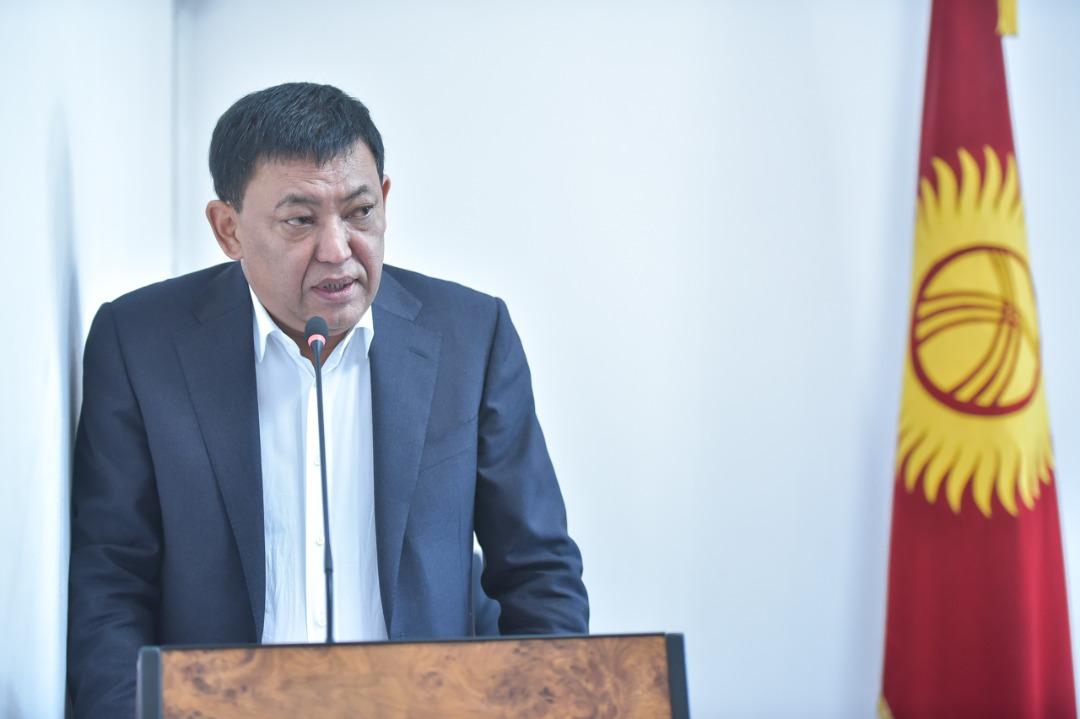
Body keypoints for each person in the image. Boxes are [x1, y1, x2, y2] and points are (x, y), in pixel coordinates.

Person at [66, 82, 588, 717]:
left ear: (385, 200)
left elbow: (537, 570)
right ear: (228, 229)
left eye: (360, 213)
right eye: (300, 220)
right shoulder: (140, 343)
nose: (338, 249)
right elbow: (111, 583)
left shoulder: (472, 337)